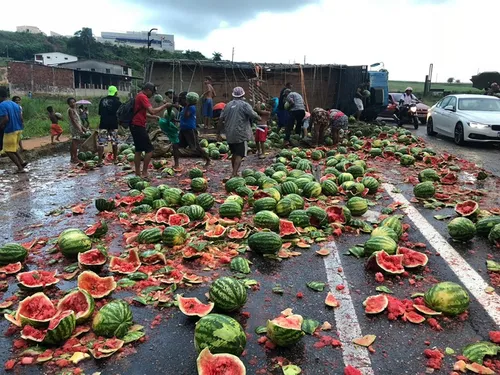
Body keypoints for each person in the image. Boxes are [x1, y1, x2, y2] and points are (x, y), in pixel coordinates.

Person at [130, 82, 171, 178]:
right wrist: (165, 106)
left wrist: (154, 117)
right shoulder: (143, 97)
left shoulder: (138, 96)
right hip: (138, 125)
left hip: (134, 125)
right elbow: (152, 111)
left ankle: (137, 173)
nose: (152, 95)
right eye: (152, 93)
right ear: (148, 90)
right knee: (149, 150)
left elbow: (142, 113)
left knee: (139, 149)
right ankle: (144, 173)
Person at [217, 86, 260, 177]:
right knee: (240, 154)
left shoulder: (227, 105)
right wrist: (260, 118)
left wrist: (219, 133)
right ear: (243, 95)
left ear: (233, 95)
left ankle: (234, 172)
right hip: (241, 133)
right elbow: (253, 115)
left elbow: (220, 119)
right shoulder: (245, 105)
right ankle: (234, 173)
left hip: (229, 133)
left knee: (234, 153)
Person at [172, 92, 210, 170]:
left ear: (185, 100)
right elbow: (183, 118)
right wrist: (175, 119)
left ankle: (208, 160)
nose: (180, 102)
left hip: (190, 130)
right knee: (175, 145)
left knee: (196, 148)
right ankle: (176, 164)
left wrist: (188, 105)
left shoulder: (191, 107)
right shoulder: (184, 108)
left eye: (181, 100)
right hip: (183, 130)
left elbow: (186, 116)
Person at [0, 87, 27, 173]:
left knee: (7, 150)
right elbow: (21, 117)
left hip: (10, 130)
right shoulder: (15, 104)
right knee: (14, 148)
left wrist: (1, 125)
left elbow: (6, 119)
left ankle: (20, 168)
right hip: (18, 129)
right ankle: (22, 162)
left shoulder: (2, 105)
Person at [97, 86, 122, 163]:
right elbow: (120, 114)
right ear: (115, 92)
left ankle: (100, 161)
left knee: (101, 142)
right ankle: (115, 159)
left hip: (103, 123)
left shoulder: (102, 100)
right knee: (114, 142)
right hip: (113, 124)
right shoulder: (118, 102)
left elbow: (100, 113)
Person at [67, 98, 86, 163]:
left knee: (73, 142)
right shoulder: (70, 110)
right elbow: (73, 120)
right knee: (75, 142)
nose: (73, 103)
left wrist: (82, 127)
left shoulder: (74, 110)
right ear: (68, 104)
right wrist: (79, 128)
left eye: (74, 102)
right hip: (75, 128)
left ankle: (72, 157)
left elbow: (78, 120)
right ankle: (75, 158)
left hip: (77, 127)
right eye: (71, 102)